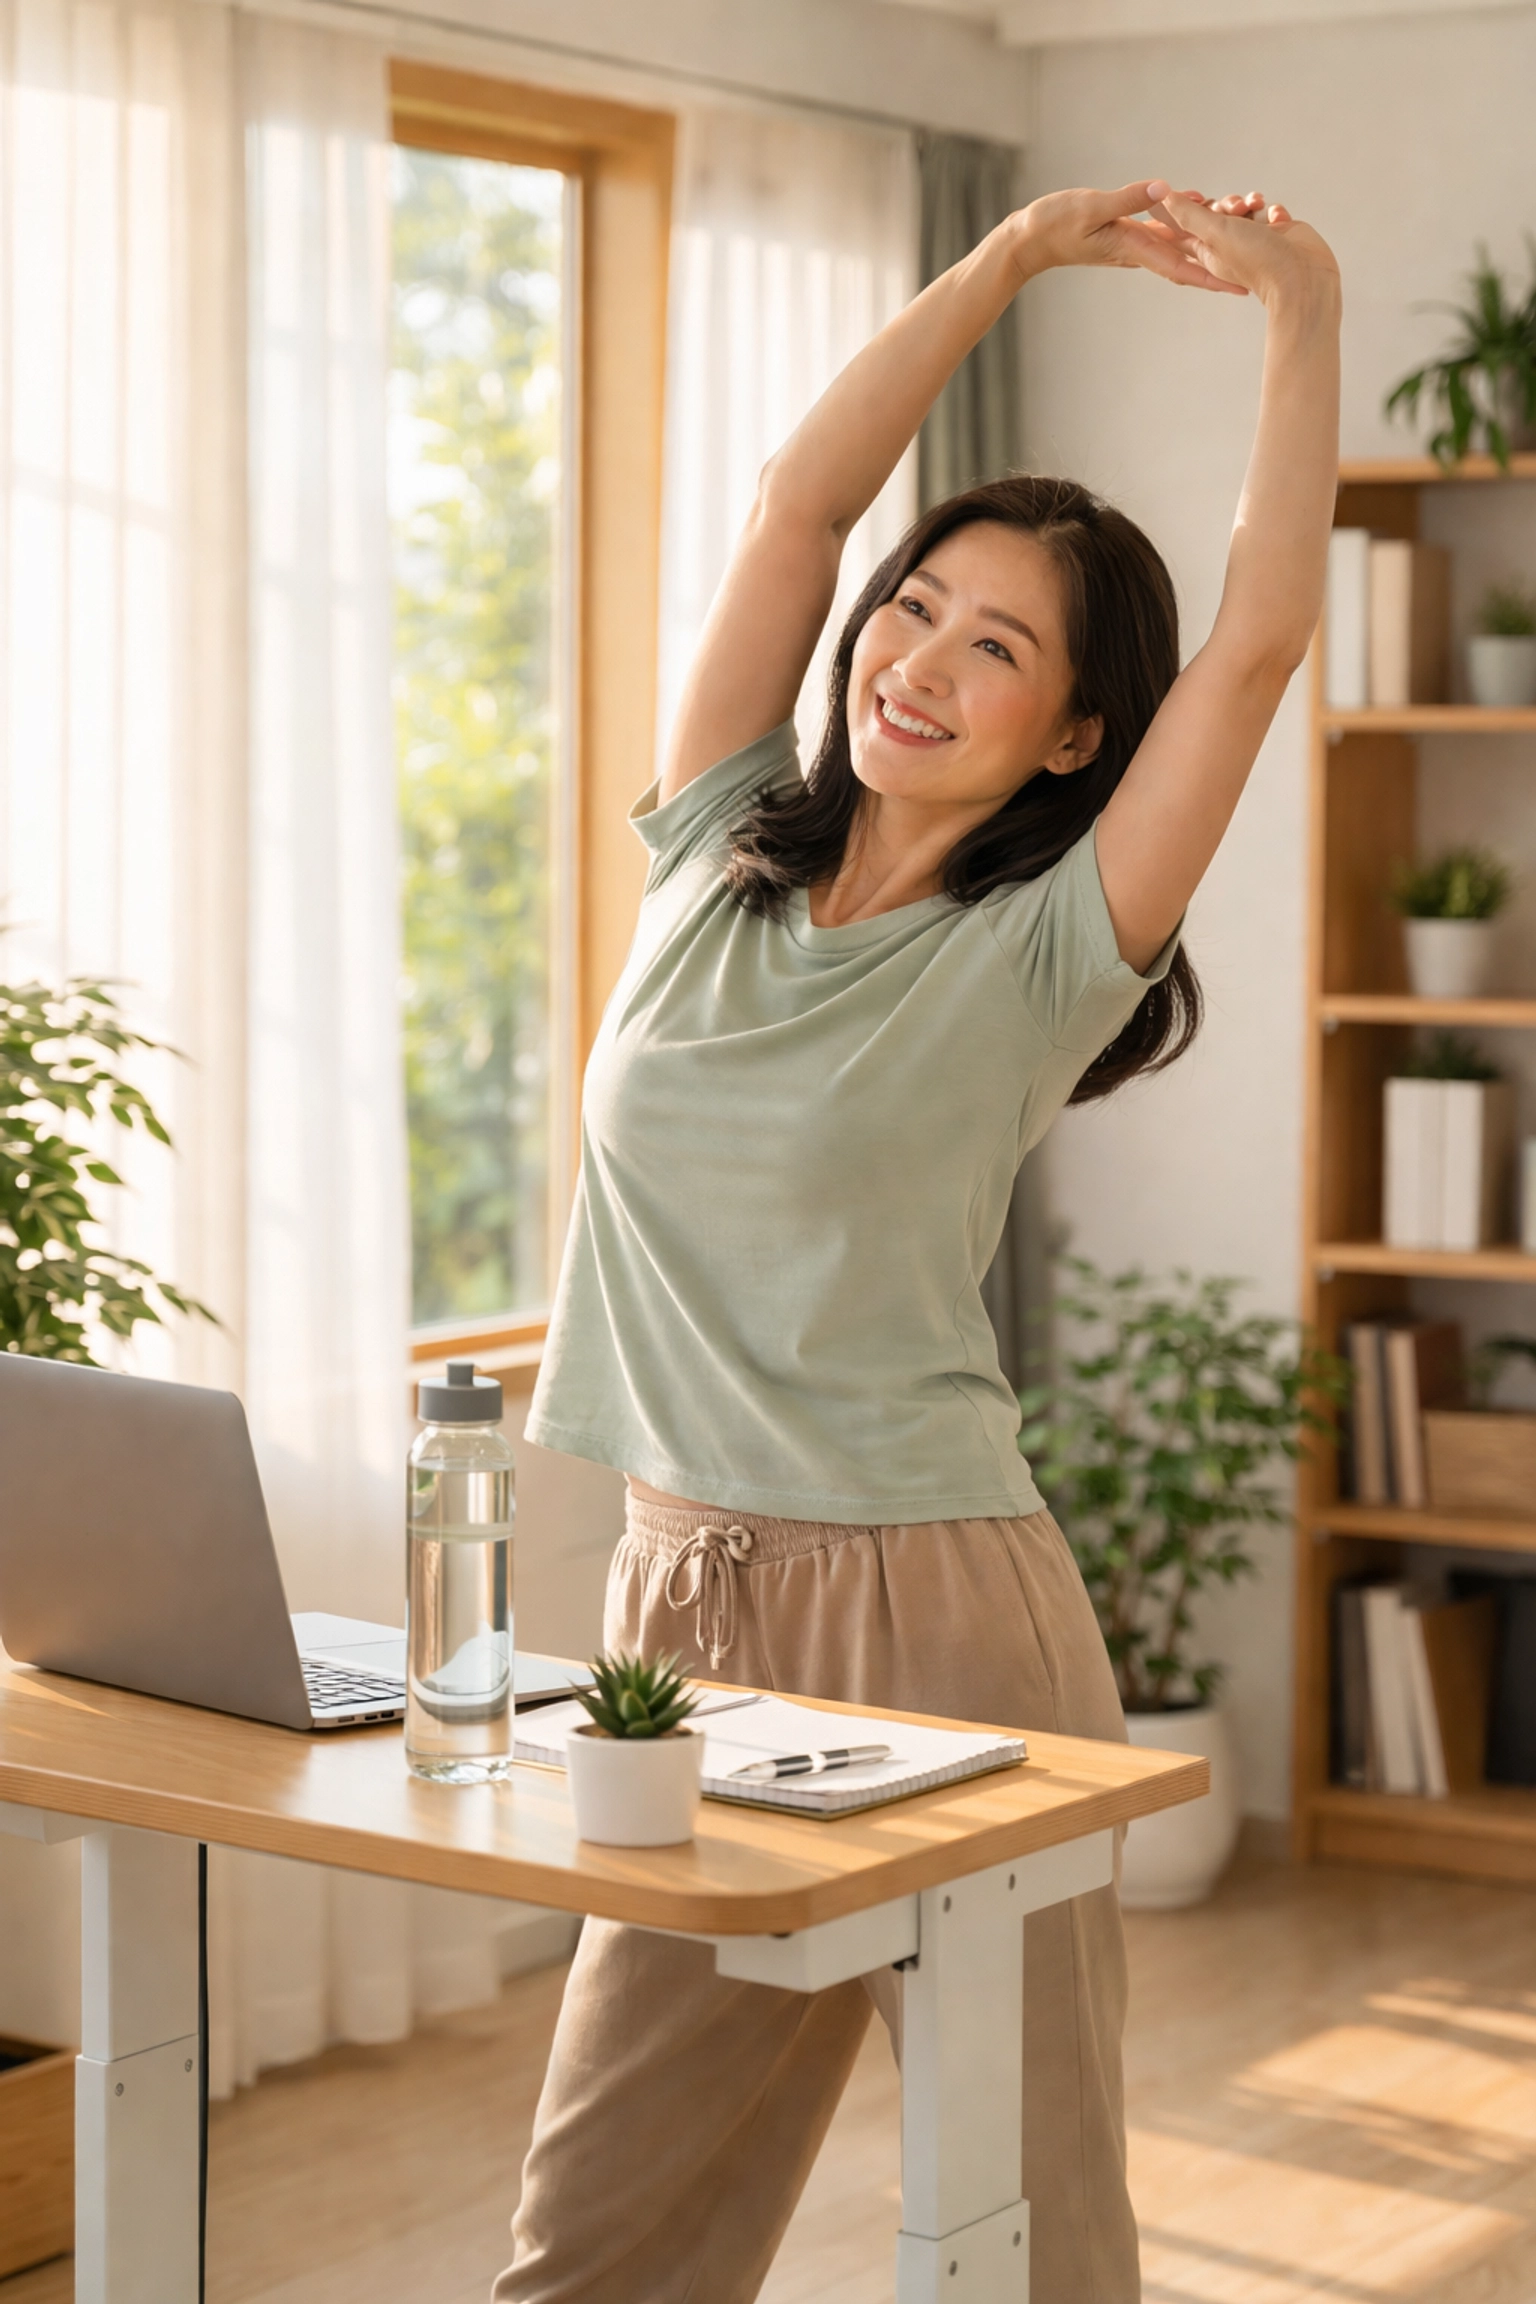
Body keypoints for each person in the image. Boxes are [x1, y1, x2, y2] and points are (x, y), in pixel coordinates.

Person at [499, 179, 1341, 2304]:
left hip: (941, 1614)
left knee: (1032, 2215)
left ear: (1074, 732)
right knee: (601, 2228)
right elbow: (799, 505)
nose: (919, 662)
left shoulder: (1051, 946)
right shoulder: (716, 852)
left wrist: (1304, 307)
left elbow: (1250, 640)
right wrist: (1004, 258)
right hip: (676, 1597)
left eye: (999, 648)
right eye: (916, 611)